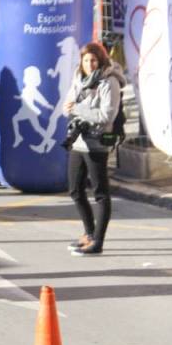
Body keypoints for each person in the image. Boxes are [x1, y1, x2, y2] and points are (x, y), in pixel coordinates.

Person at [63, 42, 125, 256]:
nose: (90, 64)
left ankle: (98, 241)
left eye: (94, 60)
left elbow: (107, 115)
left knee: (100, 193)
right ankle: (88, 233)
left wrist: (78, 108)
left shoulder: (109, 82)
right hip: (78, 140)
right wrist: (70, 108)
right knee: (75, 189)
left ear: (101, 61)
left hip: (97, 142)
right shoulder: (78, 77)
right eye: (86, 60)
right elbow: (68, 104)